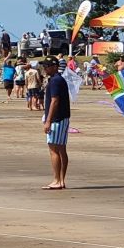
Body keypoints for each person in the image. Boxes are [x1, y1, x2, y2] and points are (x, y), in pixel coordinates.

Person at [41, 58, 71, 190]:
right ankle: (61, 180)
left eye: (47, 66)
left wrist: (48, 120)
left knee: (54, 150)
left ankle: (57, 180)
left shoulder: (55, 81)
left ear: (54, 67)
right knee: (61, 149)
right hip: (62, 118)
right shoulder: (58, 79)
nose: (45, 68)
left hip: (57, 119)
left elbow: (54, 101)